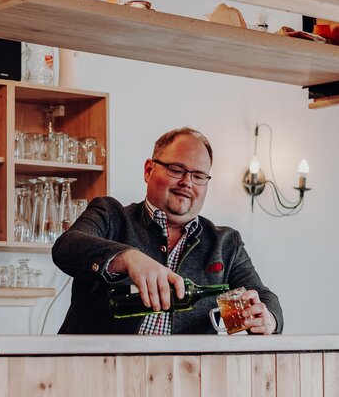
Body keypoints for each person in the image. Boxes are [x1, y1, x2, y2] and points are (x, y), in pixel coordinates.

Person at [52, 127, 283, 335]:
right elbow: (66, 247)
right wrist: (127, 258)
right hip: (95, 372)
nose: (187, 182)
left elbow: (264, 297)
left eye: (199, 176)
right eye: (176, 170)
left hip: (185, 376)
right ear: (148, 170)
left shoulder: (226, 242)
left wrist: (268, 319)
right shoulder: (110, 215)